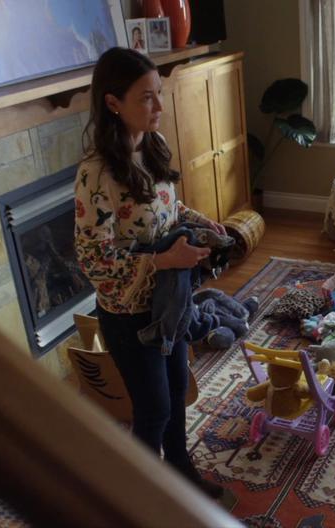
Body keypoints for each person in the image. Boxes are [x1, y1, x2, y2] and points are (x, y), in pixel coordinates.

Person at [74, 47, 228, 499]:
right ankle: (139, 496)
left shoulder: (153, 146)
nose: (159, 107)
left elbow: (168, 210)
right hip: (128, 315)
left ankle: (180, 472)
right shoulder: (95, 173)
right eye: (147, 98)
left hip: (169, 301)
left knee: (178, 391)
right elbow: (92, 258)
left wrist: (202, 223)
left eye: (159, 94)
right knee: (155, 410)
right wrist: (162, 261)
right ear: (112, 102)